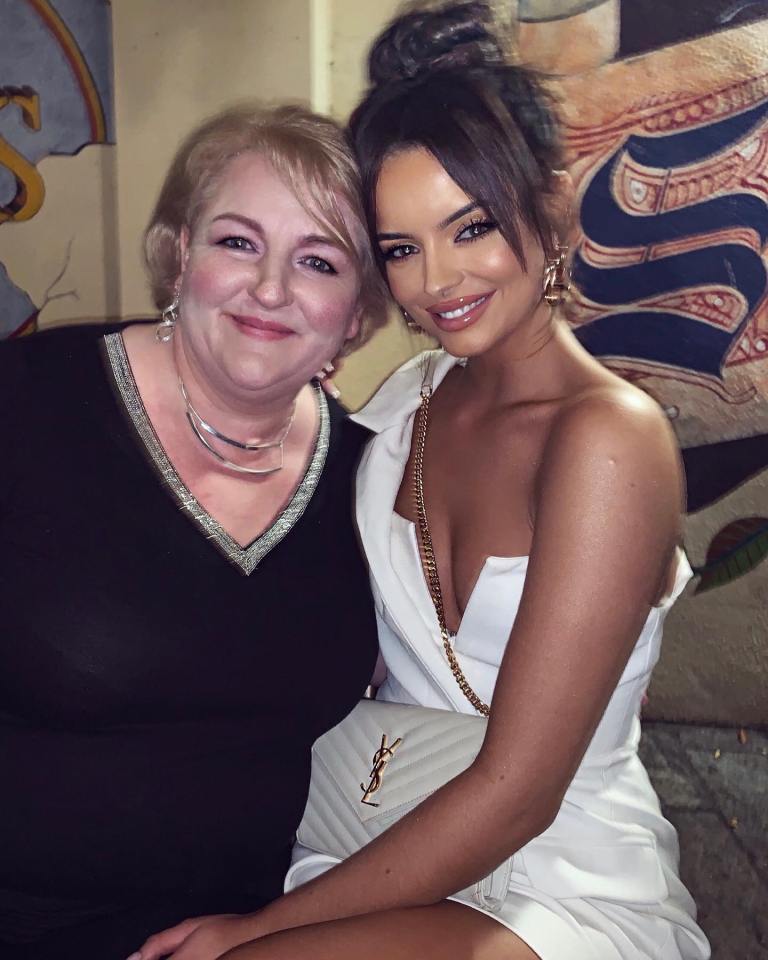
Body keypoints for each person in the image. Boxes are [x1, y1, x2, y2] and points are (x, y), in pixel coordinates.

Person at [137, 4, 711, 959]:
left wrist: (260, 926)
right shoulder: (411, 400)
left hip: (546, 866)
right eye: (400, 247)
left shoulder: (609, 440)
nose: (436, 281)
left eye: (470, 227)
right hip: (379, 817)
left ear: (551, 207)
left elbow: (521, 792)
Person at [0, 103, 389, 959]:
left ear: (357, 313)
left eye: (318, 261)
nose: (272, 289)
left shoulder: (378, 481)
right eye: (237, 242)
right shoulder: (27, 404)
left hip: (251, 933)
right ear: (180, 255)